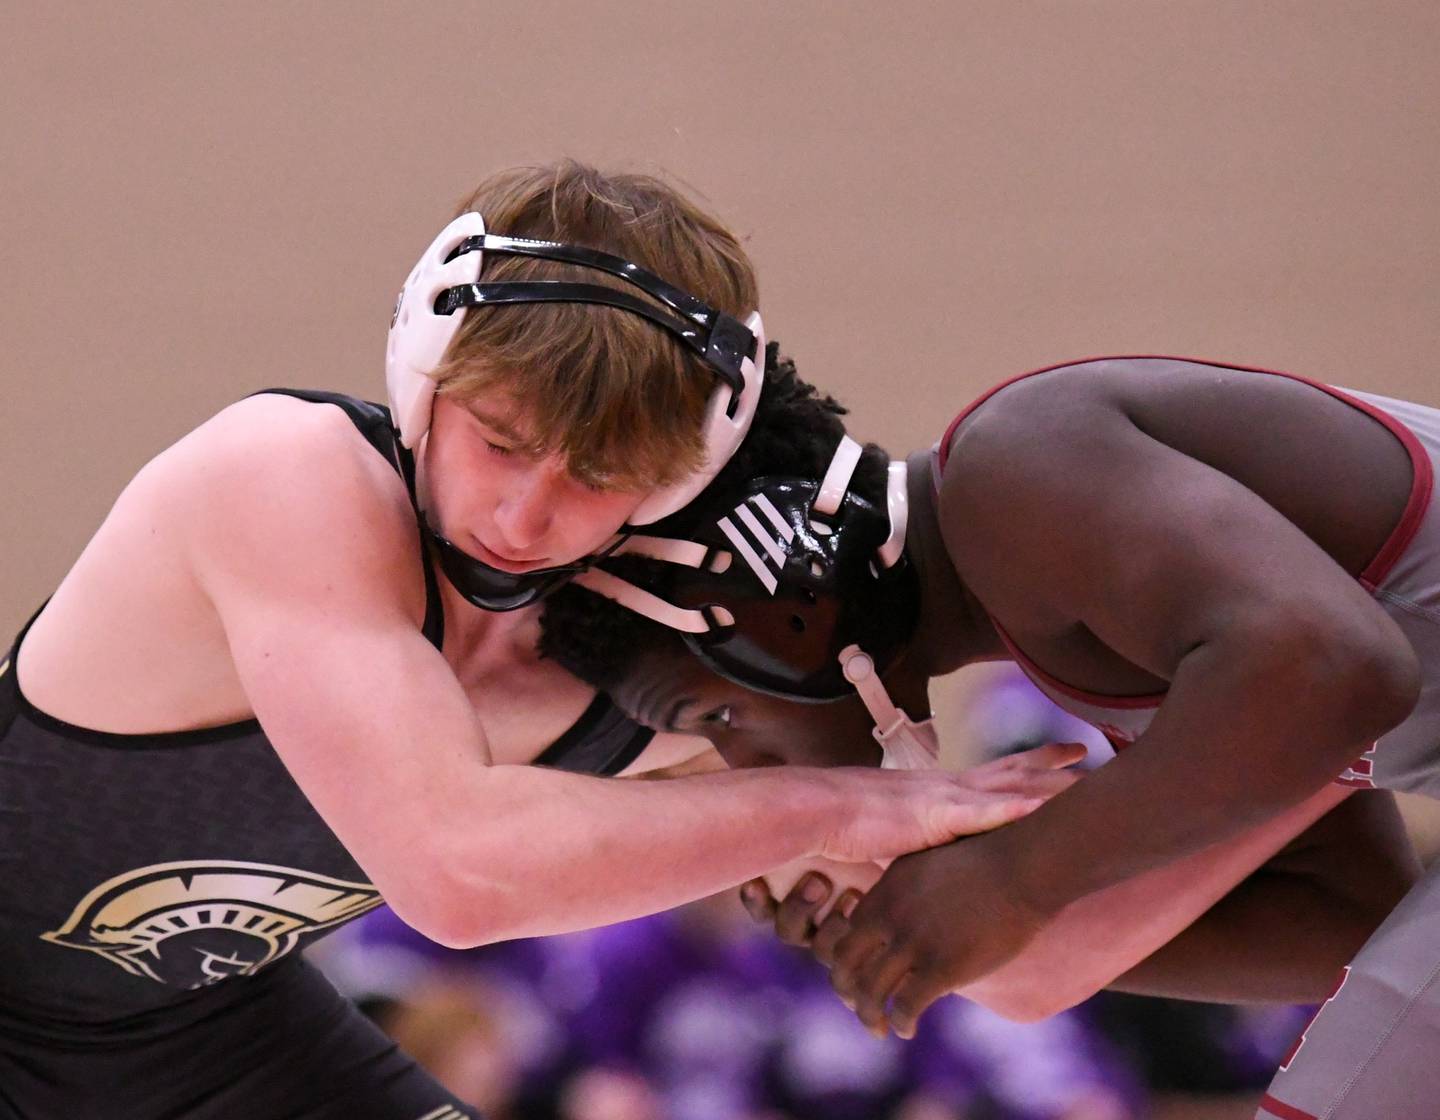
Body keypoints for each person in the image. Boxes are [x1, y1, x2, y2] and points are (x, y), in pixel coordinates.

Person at [0, 162, 1071, 1119]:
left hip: (192, 1034)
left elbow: (1023, 975)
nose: (522, 520)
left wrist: (1141, 817)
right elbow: (458, 875)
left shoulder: (657, 666)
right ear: (423, 373)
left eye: (599, 476)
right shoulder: (284, 477)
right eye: (500, 442)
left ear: (684, 475)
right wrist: (845, 807)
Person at [539, 349, 1439, 1120]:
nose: (744, 769)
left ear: (780, 602)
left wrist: (1017, 877)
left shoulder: (1013, 468)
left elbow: (1339, 666)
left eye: (716, 720)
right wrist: (966, 924)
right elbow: (1346, 920)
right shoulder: (1078, 636)